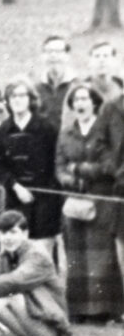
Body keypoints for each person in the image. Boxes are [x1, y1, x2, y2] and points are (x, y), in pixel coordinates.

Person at [54, 84, 124, 321]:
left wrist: (81, 169)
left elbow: (110, 165)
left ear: (94, 102)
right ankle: (79, 310)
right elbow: (59, 166)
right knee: (75, 253)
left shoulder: (103, 130)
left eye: (85, 98)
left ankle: (103, 310)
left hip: (101, 199)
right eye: (76, 99)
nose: (80, 103)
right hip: (74, 199)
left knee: (100, 254)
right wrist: (69, 178)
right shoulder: (66, 133)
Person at [0, 211, 72, 336]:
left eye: (13, 232)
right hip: (29, 323)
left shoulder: (37, 255)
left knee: (6, 293)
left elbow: (14, 281)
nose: (8, 238)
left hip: (51, 328)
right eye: (3, 233)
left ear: (25, 234)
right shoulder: (4, 257)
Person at [0, 79, 62, 257]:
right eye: (13, 96)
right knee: (15, 253)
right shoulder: (3, 130)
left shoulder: (47, 128)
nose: (17, 100)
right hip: (15, 200)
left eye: (22, 95)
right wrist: (15, 186)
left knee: (42, 255)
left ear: (31, 99)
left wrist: (44, 194)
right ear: (7, 101)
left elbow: (56, 163)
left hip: (44, 202)